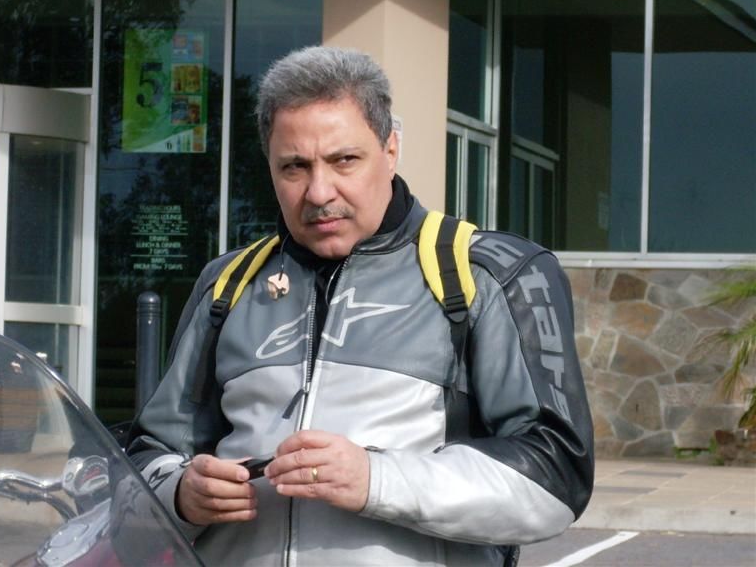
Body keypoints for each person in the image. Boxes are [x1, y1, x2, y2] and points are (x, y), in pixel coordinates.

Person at [127, 46, 594, 567]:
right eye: (294, 167)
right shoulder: (227, 283)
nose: (318, 192)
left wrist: (376, 479)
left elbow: (556, 480)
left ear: (390, 149)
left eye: (343, 160)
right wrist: (180, 496)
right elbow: (145, 459)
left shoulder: (491, 273)